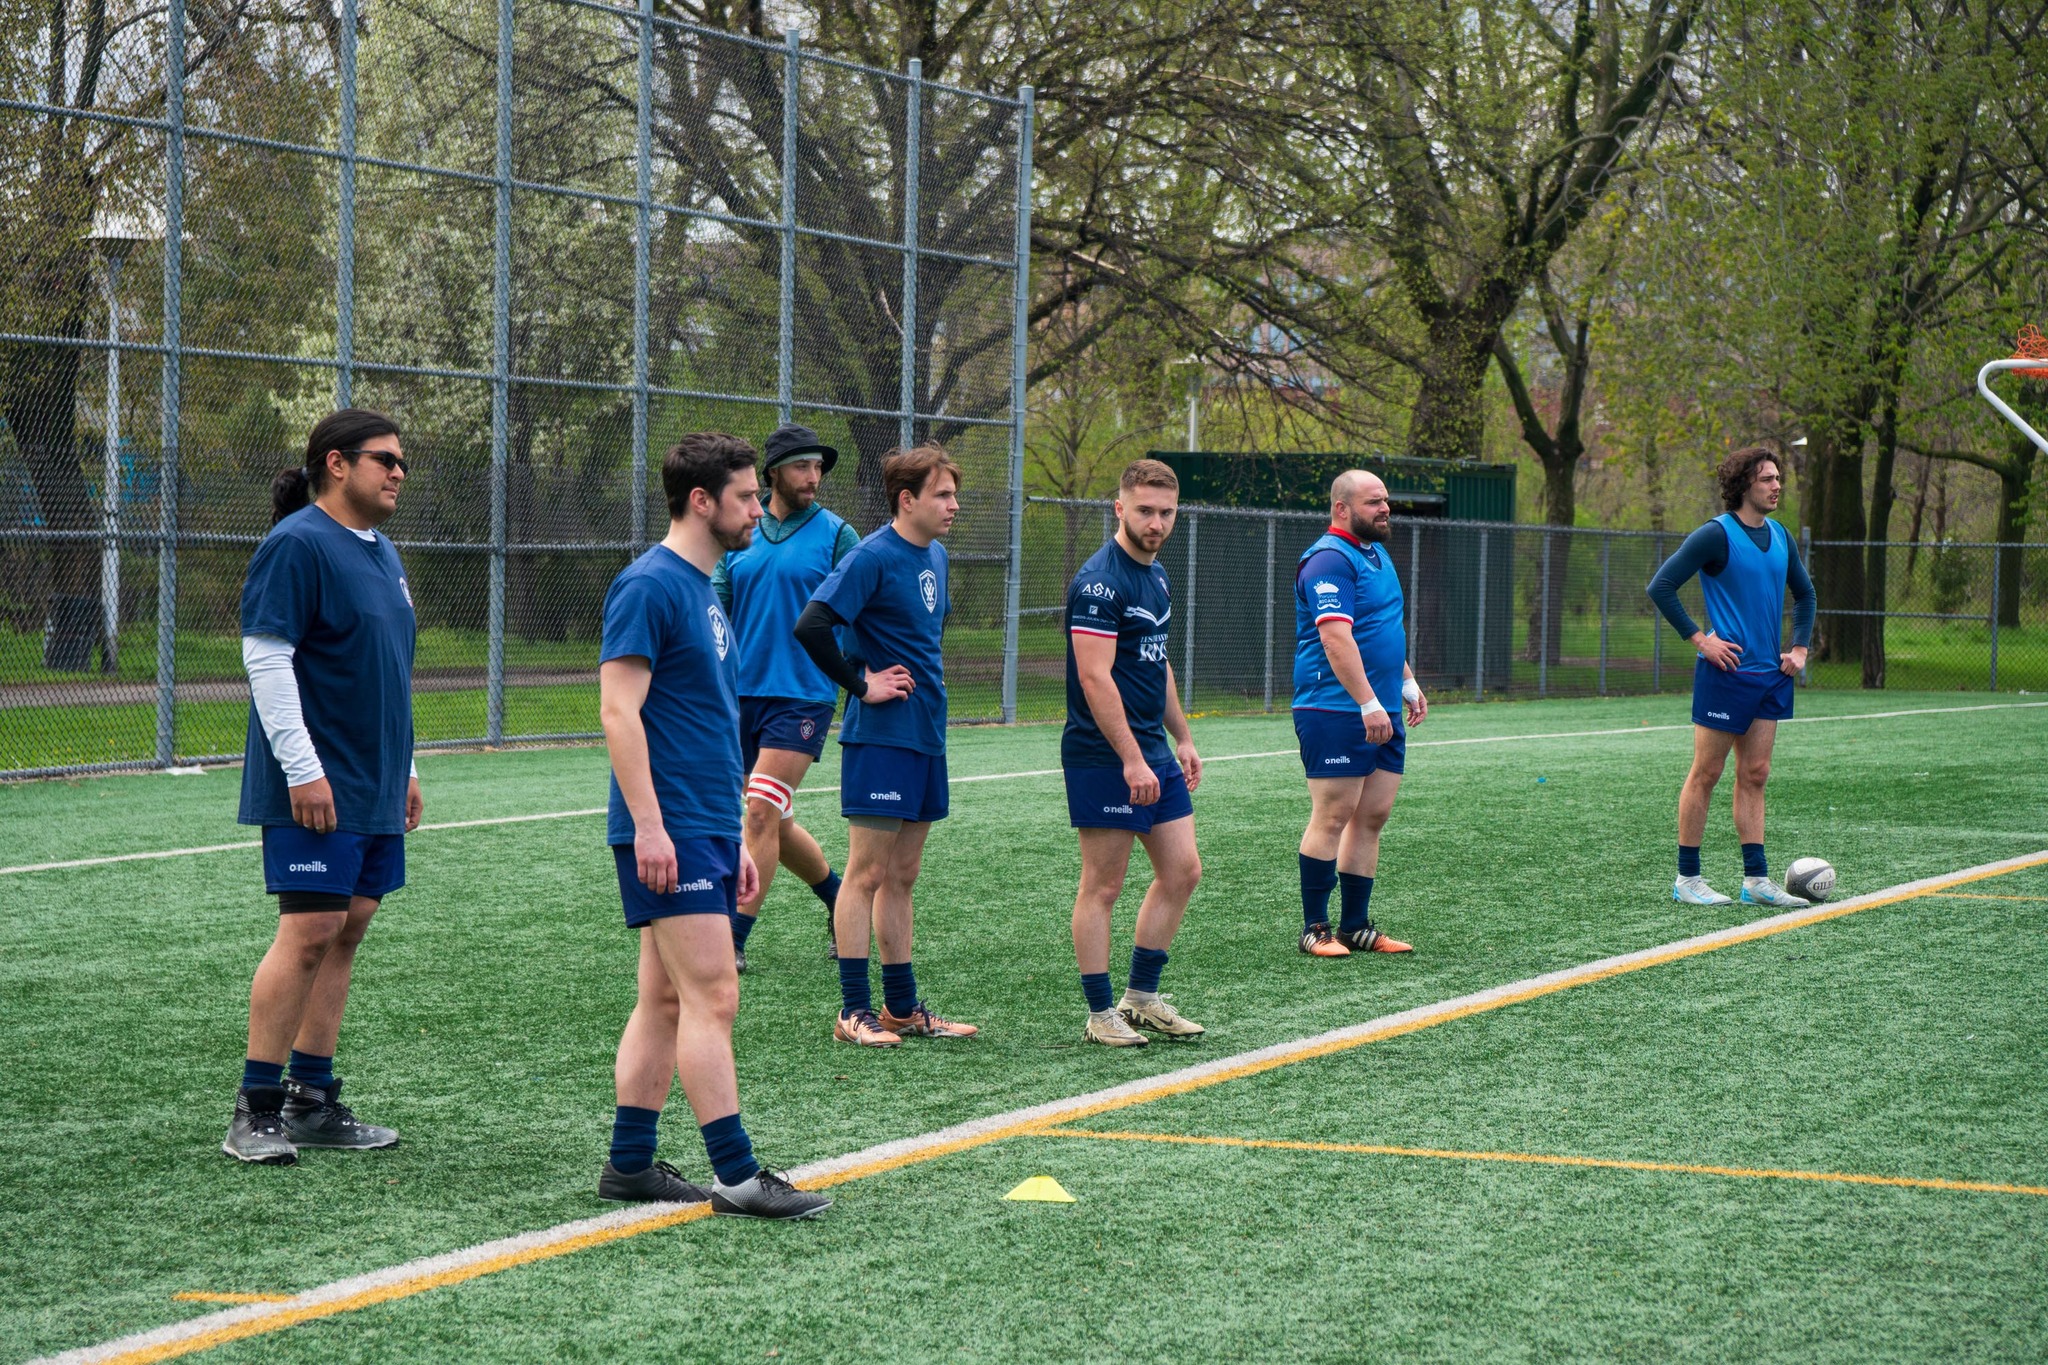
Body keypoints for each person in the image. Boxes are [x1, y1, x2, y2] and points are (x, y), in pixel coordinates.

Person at [596, 431, 829, 1219]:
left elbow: (701, 723)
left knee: (665, 1000)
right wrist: (653, 827)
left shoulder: (704, 589)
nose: (757, 508)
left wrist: (733, 838)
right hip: (667, 828)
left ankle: (629, 1165)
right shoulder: (650, 585)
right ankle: (737, 1173)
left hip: (702, 825)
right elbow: (618, 712)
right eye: (744, 497)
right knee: (714, 994)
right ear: (703, 501)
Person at [226, 408, 421, 1165]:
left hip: (372, 783)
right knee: (308, 931)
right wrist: (303, 769)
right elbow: (267, 658)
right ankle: (256, 1107)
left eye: (403, 461)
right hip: (319, 780)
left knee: (349, 926)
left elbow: (387, 668)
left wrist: (407, 768)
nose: (399, 472)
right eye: (386, 459)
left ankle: (312, 1098)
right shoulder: (297, 543)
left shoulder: (383, 550)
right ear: (336, 464)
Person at [794, 445, 976, 1047]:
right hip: (881, 738)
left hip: (926, 732)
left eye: (953, 494)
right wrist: (861, 683)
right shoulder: (871, 555)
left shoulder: (939, 556)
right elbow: (812, 625)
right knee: (867, 873)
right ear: (907, 499)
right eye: (943, 494)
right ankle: (852, 1011)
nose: (954, 505)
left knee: (904, 874)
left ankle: (900, 1007)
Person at [1062, 459, 1206, 1047]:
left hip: (1151, 749)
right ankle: (1100, 1014)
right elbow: (1095, 679)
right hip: (1104, 754)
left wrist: (1183, 735)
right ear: (1119, 508)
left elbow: (1155, 660)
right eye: (1144, 510)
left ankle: (1141, 998)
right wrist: (1129, 757)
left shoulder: (1158, 575)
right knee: (1103, 884)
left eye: (1166, 512)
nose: (1156, 522)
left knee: (1182, 870)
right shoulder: (1099, 582)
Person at [713, 424, 860, 971]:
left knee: (759, 813)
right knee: (773, 817)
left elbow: (861, 612)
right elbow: (717, 617)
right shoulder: (742, 533)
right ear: (772, 473)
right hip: (740, 696)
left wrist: (863, 679)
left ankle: (731, 937)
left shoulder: (838, 535)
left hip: (804, 697)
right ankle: (839, 897)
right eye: (802, 466)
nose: (814, 477)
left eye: (819, 467)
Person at [1646, 445, 1817, 909]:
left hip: (1770, 676)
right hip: (1726, 674)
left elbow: (1805, 594)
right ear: (1744, 485)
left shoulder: (1781, 536)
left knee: (1756, 774)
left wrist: (1799, 647)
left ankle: (1756, 881)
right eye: (1767, 478)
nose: (1777, 485)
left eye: (1778, 478)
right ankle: (1687, 879)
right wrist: (1701, 640)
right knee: (1707, 772)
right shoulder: (1715, 535)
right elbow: (1660, 586)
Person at [1291, 470, 1425, 959]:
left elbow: (1381, 626)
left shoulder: (1376, 552)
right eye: (1374, 502)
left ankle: (1355, 926)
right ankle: (1314, 928)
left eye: (1386, 500)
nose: (1385, 508)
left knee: (1372, 816)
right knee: (1333, 815)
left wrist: (1405, 683)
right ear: (1342, 508)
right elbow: (1335, 637)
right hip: (1334, 707)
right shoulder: (1328, 558)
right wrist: (1368, 702)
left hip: (1382, 704)